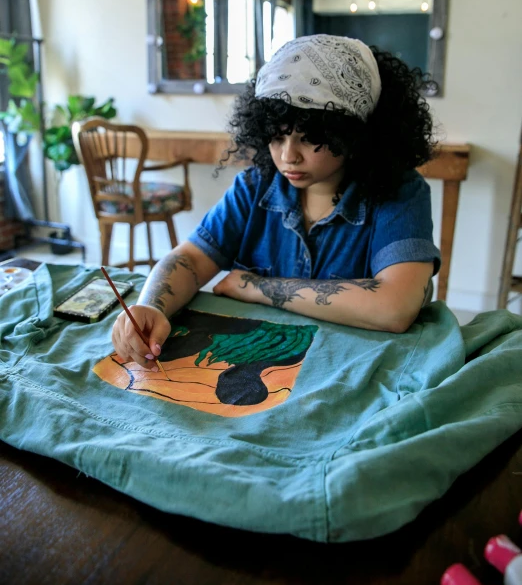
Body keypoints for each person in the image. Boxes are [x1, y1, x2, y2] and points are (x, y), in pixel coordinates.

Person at [112, 34, 441, 371]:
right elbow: (192, 259)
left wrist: (257, 286)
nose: (288, 157)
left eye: (310, 139)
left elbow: (395, 307)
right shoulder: (255, 186)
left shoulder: (400, 192)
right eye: (277, 136)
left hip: (352, 370)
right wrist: (152, 306)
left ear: (355, 136)